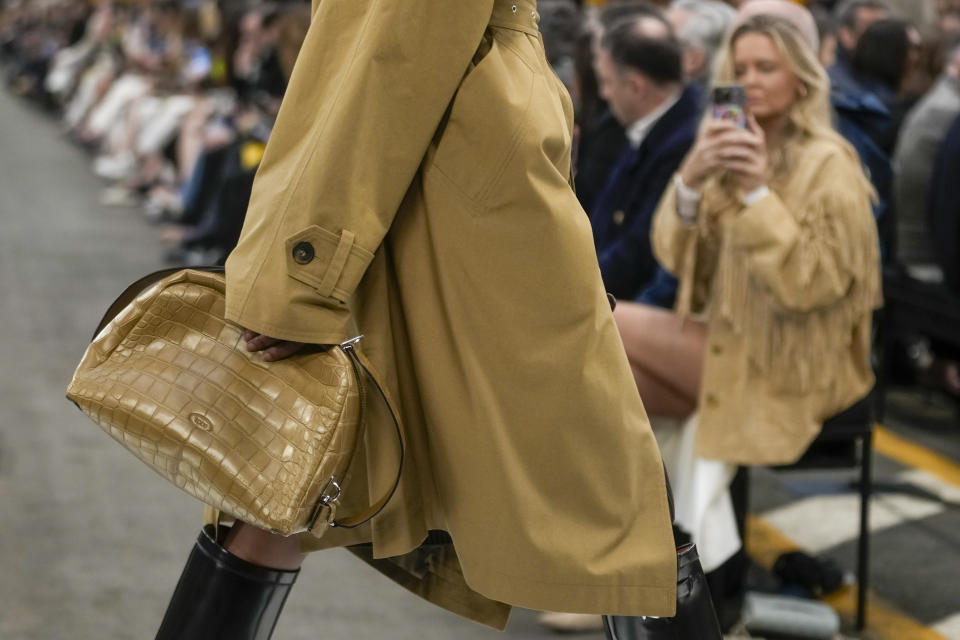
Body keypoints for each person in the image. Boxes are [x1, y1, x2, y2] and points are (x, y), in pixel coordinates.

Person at [152, 1, 723, 639]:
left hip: (426, 173)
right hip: (451, 179)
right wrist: (306, 275)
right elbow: (384, 61)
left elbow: (381, 62)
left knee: (289, 484)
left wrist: (306, 272)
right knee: (615, 493)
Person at [611, 7, 881, 609]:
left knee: (598, 325)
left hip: (795, 364)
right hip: (727, 341)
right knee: (604, 390)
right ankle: (656, 584)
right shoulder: (731, 146)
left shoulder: (828, 164)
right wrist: (690, 179)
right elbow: (674, 258)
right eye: (742, 67)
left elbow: (812, 287)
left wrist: (757, 192)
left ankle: (671, 584)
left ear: (802, 79)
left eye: (768, 67)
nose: (751, 80)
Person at [589, 13, 703, 300]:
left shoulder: (686, 140)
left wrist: (574, 286)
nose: (604, 94)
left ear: (636, 86)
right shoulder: (655, 122)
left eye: (607, 82)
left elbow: (640, 251)